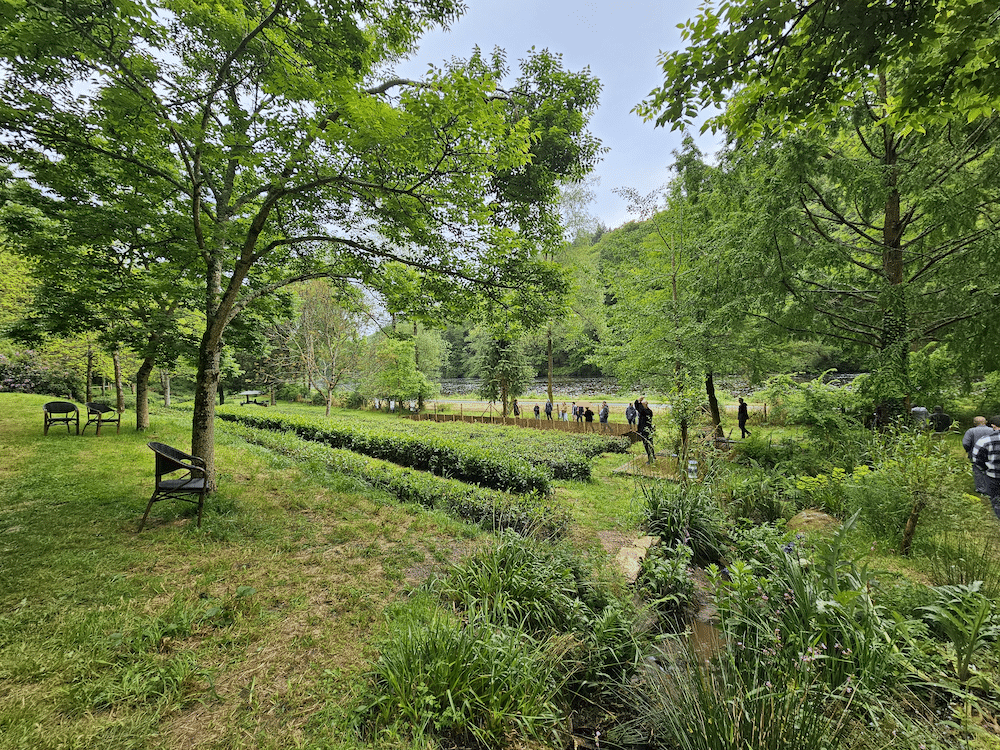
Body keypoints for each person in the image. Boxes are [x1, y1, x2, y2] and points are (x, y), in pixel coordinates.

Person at [971, 415, 1000, 519]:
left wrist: (984, 469)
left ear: (993, 426)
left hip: (993, 476)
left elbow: (977, 459)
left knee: (996, 500)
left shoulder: (985, 440)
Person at [963, 416, 994, 495]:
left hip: (976, 454)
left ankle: (981, 489)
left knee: (978, 471)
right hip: (991, 453)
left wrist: (969, 450)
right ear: (986, 422)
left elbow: (965, 443)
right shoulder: (993, 430)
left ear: (974, 423)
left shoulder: (971, 431)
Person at [637, 397, 655, 463]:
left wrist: (638, 400)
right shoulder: (649, 411)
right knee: (650, 443)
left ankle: (651, 458)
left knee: (647, 444)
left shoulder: (644, 411)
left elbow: (637, 406)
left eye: (642, 404)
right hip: (648, 429)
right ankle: (653, 456)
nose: (641, 405)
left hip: (645, 430)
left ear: (645, 404)